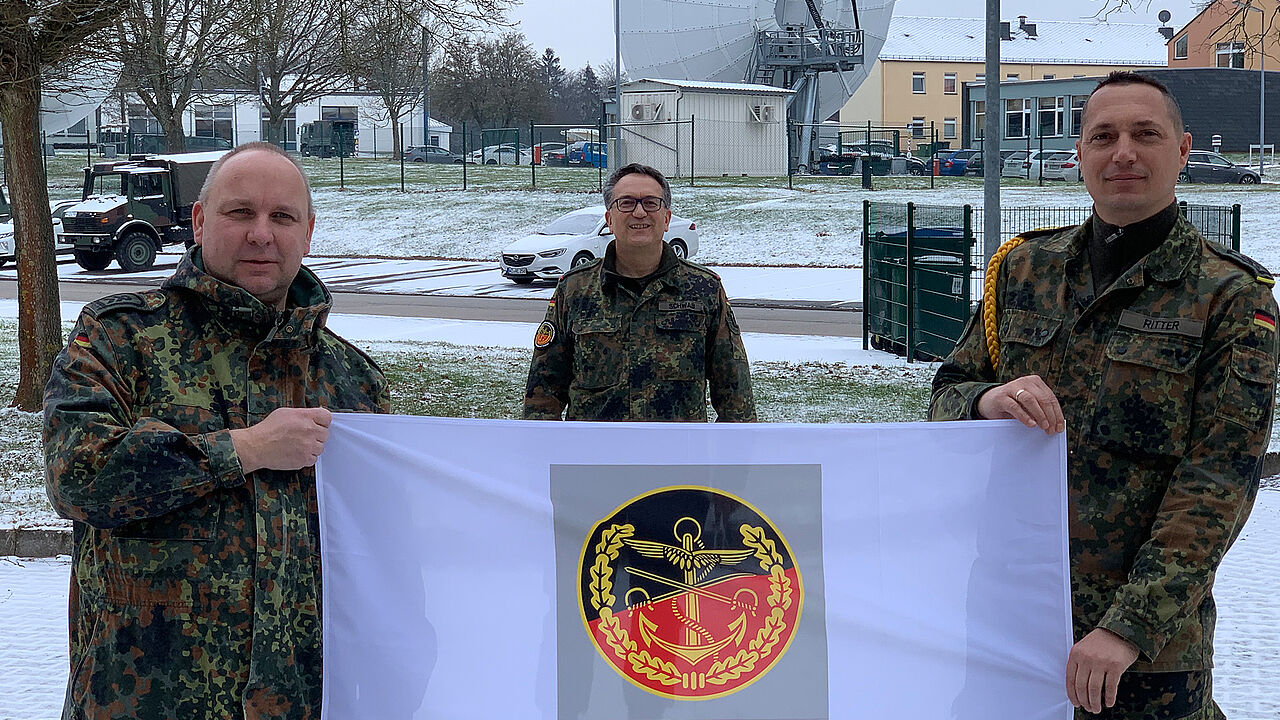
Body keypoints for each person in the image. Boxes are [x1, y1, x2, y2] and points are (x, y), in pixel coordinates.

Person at [931, 71, 1277, 719]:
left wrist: (1128, 627)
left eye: (1145, 134)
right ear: (1080, 154)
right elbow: (946, 396)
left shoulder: (1231, 298)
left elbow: (1218, 485)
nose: (1123, 152)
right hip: (1012, 621)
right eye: (1103, 136)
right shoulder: (1023, 271)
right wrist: (986, 402)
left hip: (1142, 655)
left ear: (1182, 150)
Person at [43, 142, 390, 720]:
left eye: (282, 217)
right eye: (240, 213)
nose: (262, 234)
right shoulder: (122, 338)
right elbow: (76, 474)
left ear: (308, 232)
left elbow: (382, 553)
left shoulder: (350, 379)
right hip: (146, 702)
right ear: (200, 222)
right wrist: (244, 450)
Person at [523, 162, 755, 421]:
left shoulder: (704, 289)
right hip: (593, 456)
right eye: (626, 203)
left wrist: (734, 455)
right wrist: (540, 452)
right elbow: (544, 392)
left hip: (678, 456)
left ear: (666, 218)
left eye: (651, 203)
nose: (640, 212)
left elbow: (734, 392)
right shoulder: (575, 289)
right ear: (609, 220)